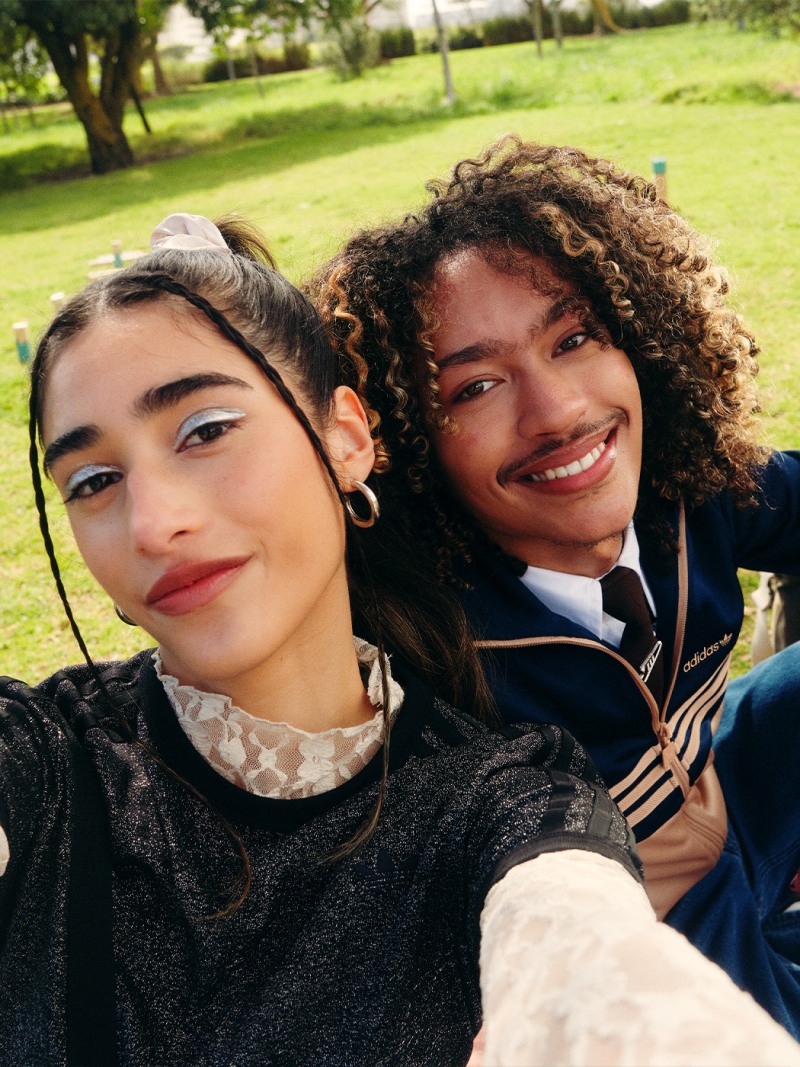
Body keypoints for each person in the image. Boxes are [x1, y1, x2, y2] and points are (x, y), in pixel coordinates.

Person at [6, 211, 797, 1065]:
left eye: (206, 430)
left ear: (348, 441)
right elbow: (566, 920)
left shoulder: (692, 487)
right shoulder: (468, 702)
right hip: (666, 900)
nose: (153, 524)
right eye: (93, 480)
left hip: (731, 787)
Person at [308, 135, 800, 1036]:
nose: (558, 411)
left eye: (574, 339)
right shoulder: (420, 644)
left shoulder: (689, 488)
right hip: (633, 926)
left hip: (736, 793)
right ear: (404, 443)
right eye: (475, 387)